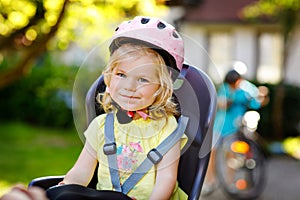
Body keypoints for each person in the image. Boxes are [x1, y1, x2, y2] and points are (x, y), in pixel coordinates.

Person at [54, 16, 187, 200]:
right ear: (108, 78)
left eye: (142, 79)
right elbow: (81, 173)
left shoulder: (166, 127)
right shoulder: (101, 126)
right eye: (121, 74)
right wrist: (65, 188)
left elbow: (167, 180)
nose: (129, 86)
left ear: (160, 88)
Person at [202, 69, 264, 195]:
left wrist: (261, 97)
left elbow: (256, 102)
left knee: (232, 157)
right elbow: (220, 104)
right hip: (219, 128)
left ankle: (230, 184)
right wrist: (229, 101)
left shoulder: (246, 89)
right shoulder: (224, 89)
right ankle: (209, 183)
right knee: (212, 155)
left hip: (234, 129)